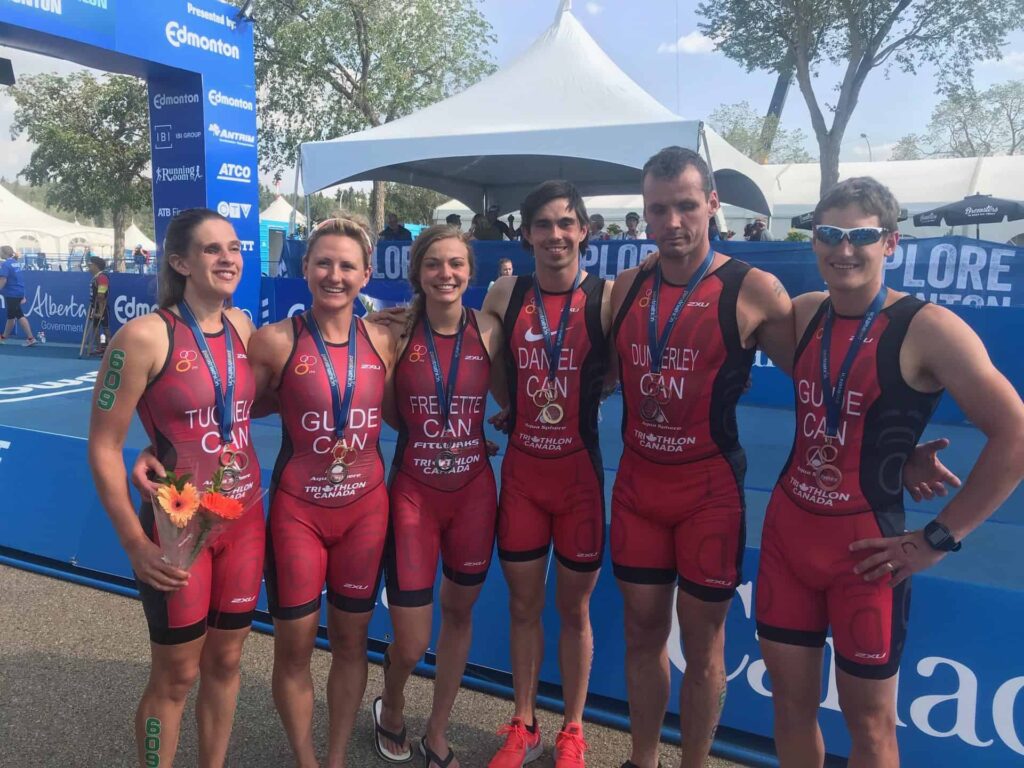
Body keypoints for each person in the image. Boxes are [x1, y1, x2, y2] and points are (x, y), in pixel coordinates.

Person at [756, 177, 1024, 767]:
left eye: (861, 236)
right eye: (830, 233)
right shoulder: (801, 316)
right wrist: (897, 450)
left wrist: (938, 539)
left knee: (872, 728)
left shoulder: (928, 328)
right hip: (786, 541)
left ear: (891, 244)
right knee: (790, 708)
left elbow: (1016, 435)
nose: (843, 248)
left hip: (868, 555)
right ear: (814, 240)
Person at [608, 146, 794, 768]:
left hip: (708, 493)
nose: (673, 223)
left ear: (713, 205)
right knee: (641, 635)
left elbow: (823, 381)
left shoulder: (754, 289)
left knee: (704, 645)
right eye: (658, 210)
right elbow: (591, 372)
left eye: (687, 206)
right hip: (637, 488)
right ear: (645, 214)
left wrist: (898, 450)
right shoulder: (627, 287)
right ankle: (642, 760)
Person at [88, 208, 265, 768]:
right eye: (212, 250)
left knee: (226, 663)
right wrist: (135, 545)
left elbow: (230, 411)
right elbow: (101, 446)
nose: (227, 258)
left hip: (244, 519)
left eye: (234, 248)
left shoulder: (242, 327)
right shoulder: (142, 336)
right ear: (180, 261)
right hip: (177, 527)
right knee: (177, 674)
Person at [250, 217, 399, 768]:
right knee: (293, 647)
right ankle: (306, 760)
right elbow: (229, 407)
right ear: (306, 268)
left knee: (351, 644)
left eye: (346, 266)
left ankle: (335, 759)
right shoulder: (273, 341)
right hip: (299, 513)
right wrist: (157, 450)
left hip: (366, 511)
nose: (334, 275)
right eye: (323, 263)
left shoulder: (385, 336)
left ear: (365, 275)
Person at [481, 180, 613, 768]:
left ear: (584, 230)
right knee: (523, 606)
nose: (555, 235)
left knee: (575, 610)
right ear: (527, 233)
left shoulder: (608, 298)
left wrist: (588, 393)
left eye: (566, 223)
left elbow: (620, 368)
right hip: (525, 476)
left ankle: (575, 728)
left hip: (579, 477)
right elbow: (487, 357)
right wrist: (509, 402)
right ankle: (525, 722)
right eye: (542, 224)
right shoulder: (507, 291)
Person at [373, 225, 505, 768]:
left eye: (455, 264)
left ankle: (438, 730)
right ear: (418, 273)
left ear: (470, 272)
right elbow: (385, 411)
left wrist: (485, 426)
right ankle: (394, 702)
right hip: (414, 495)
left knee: (460, 614)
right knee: (409, 640)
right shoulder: (394, 331)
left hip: (473, 492)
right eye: (434, 264)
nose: (445, 274)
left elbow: (514, 393)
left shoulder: (490, 329)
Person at [0, 245, 38, 346]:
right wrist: (23, 294)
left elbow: (3, 280)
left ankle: (31, 338)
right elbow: (19, 279)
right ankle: (3, 337)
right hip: (18, 292)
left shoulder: (6, 264)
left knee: (19, 315)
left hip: (12, 293)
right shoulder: (15, 263)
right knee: (11, 316)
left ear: (4, 253)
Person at [87, 255, 110, 355]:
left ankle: (109, 348)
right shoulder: (95, 278)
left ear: (95, 266)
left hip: (102, 307)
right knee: (95, 327)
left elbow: (101, 295)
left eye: (90, 265)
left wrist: (100, 311)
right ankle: (99, 347)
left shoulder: (102, 277)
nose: (88, 267)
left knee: (105, 327)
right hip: (94, 307)